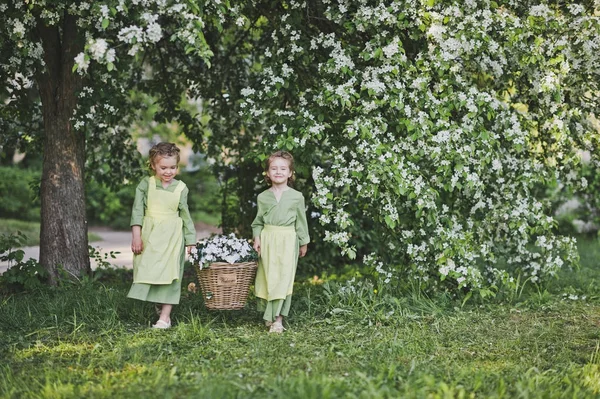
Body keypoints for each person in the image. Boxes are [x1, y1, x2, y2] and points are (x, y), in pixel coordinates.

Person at [127, 142, 196, 329]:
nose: (168, 171)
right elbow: (137, 211)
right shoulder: (146, 184)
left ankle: (165, 317)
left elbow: (185, 215)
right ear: (153, 165)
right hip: (150, 235)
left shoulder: (181, 188)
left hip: (173, 237)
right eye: (163, 167)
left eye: (172, 167)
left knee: (171, 274)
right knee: (149, 270)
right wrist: (136, 236)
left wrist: (191, 240)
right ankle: (158, 302)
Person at [252, 151, 310, 333]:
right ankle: (269, 314)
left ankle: (278, 319)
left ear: (290, 173)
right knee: (269, 277)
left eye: (283, 168)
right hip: (268, 239)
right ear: (267, 173)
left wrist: (303, 242)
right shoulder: (263, 197)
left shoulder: (296, 197)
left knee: (283, 278)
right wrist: (257, 237)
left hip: (287, 240)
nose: (278, 172)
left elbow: (301, 221)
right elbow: (258, 221)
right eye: (274, 168)